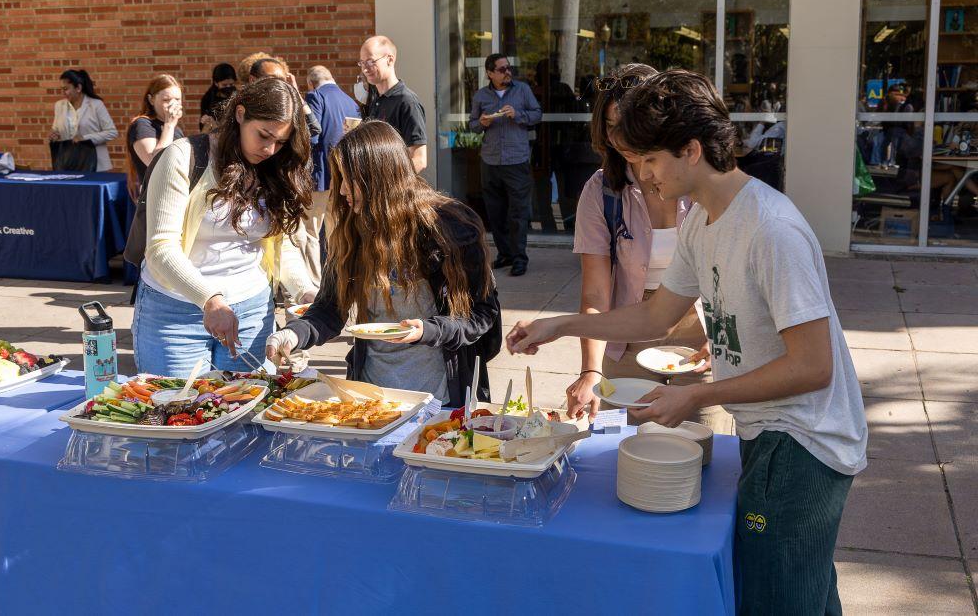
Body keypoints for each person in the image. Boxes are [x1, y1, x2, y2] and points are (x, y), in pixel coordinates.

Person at [506, 69, 867, 615]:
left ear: (691, 150)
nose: (643, 174)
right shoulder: (704, 223)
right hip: (770, 436)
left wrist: (698, 395)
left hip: (802, 445)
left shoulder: (772, 228)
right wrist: (561, 325)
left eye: (650, 160)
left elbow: (814, 366)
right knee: (806, 591)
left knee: (775, 599)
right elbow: (655, 315)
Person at [264, 121, 501, 407]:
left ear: (379, 177)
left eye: (350, 179)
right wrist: (293, 334)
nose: (342, 191)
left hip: (439, 398)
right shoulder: (352, 230)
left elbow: (482, 315)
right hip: (371, 397)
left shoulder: (449, 227)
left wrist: (429, 330)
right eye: (341, 178)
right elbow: (328, 310)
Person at [566, 64, 730, 433]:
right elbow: (595, 293)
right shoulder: (601, 191)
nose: (620, 139)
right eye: (610, 126)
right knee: (623, 444)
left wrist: (722, 338)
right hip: (629, 331)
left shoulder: (699, 182)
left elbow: (731, 274)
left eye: (629, 126)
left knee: (705, 441)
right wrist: (590, 370)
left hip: (700, 328)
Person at [132, 77, 317, 376]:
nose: (270, 149)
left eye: (281, 142)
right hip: (176, 312)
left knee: (246, 402)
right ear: (240, 114)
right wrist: (210, 299)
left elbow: (281, 244)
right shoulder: (183, 156)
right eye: (264, 135)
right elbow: (160, 249)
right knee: (178, 401)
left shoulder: (277, 168)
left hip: (252, 310)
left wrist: (304, 291)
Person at [468, 53, 542, 277]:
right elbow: (473, 125)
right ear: (490, 73)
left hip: (516, 161)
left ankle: (519, 258)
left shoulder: (522, 90)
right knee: (495, 212)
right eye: (502, 69)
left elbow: (537, 114)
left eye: (509, 68)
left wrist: (517, 114)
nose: (507, 72)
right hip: (490, 161)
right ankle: (505, 254)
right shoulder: (481, 95)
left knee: (518, 213)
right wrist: (482, 123)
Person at [300, 65, 362, 292]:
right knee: (337, 232)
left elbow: (312, 136)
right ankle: (341, 282)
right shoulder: (351, 102)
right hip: (343, 179)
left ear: (310, 83)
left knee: (310, 232)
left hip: (319, 176)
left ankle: (315, 287)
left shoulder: (314, 96)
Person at [358, 36, 427, 173]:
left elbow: (419, 159)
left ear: (390, 59)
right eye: (362, 63)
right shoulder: (375, 101)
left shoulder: (407, 101)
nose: (365, 69)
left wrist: (390, 182)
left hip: (394, 186)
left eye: (371, 61)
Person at [125, 74, 185, 201]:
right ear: (151, 100)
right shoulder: (142, 125)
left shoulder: (176, 130)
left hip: (175, 194)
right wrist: (169, 125)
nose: (173, 104)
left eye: (177, 99)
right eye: (166, 100)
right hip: (154, 198)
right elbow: (156, 163)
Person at [49, 69, 118, 171]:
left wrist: (85, 138)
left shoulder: (96, 105)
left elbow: (112, 132)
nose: (63, 93)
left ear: (78, 88)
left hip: (95, 165)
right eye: (62, 89)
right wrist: (54, 135)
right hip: (68, 164)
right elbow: (56, 128)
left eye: (66, 89)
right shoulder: (59, 105)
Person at [250, 57, 322, 139]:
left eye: (282, 80)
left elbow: (314, 128)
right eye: (272, 78)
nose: (278, 84)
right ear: (253, 80)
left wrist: (295, 92)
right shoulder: (244, 107)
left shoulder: (284, 108)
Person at [199, 63, 237, 133]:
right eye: (224, 85)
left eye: (231, 84)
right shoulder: (208, 99)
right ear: (216, 83)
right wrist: (205, 119)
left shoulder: (237, 96)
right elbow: (203, 126)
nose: (228, 87)